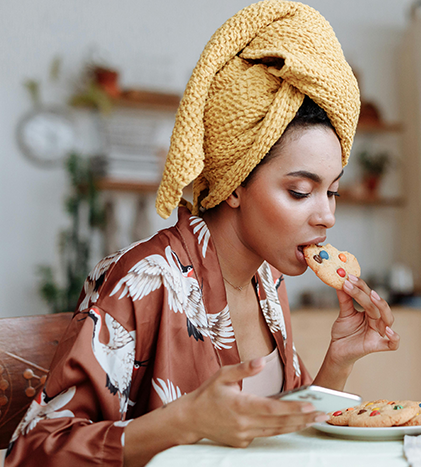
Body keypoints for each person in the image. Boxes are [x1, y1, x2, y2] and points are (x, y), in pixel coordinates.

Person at [5, 2, 400, 466]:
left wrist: (340, 361)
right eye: (299, 191)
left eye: (331, 192)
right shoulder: (146, 279)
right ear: (234, 185)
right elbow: (31, 452)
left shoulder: (268, 281)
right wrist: (183, 421)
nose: (326, 216)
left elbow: (282, 440)